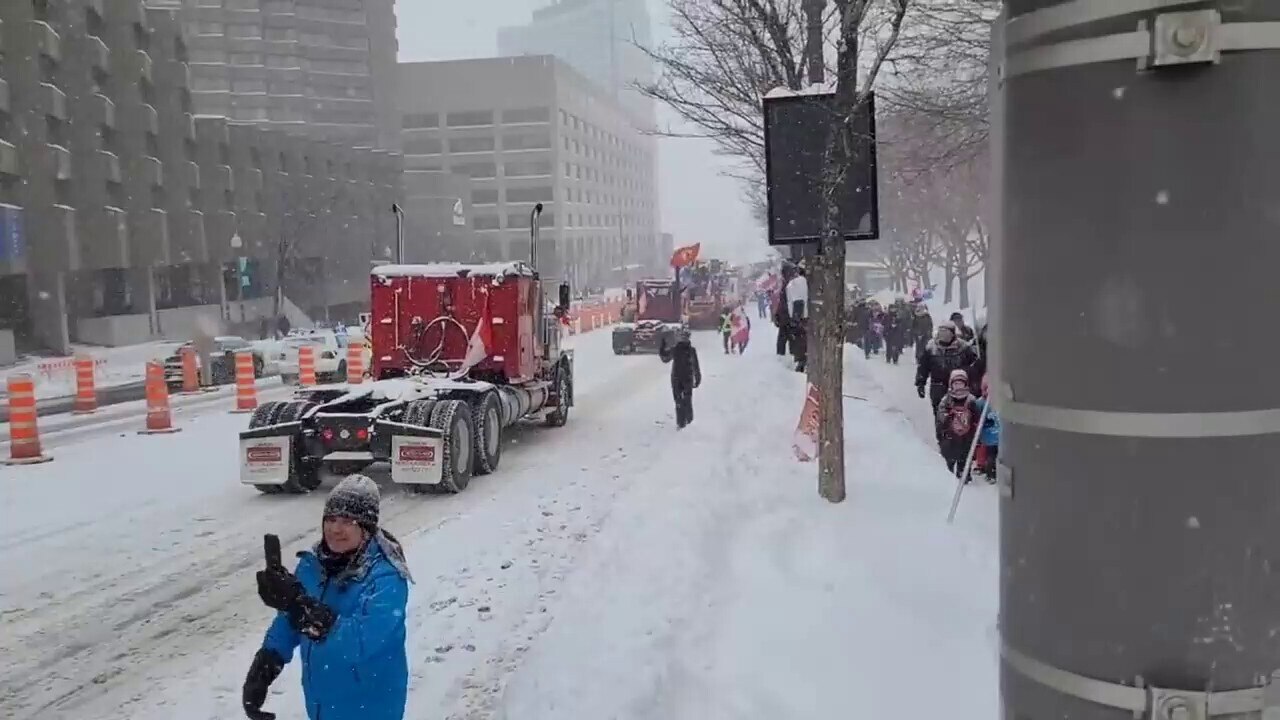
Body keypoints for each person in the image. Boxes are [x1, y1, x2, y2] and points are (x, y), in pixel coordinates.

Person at [244, 475, 412, 720]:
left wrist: (301, 607)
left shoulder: (386, 578)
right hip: (322, 706)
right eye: (330, 519)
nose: (335, 529)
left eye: (347, 521)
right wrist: (265, 667)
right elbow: (289, 621)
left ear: (365, 528)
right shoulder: (312, 565)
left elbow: (359, 642)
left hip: (369, 708)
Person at [915, 321, 980, 424]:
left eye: (946, 332)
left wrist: (974, 384)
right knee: (940, 414)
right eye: (941, 332)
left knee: (960, 413)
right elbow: (923, 366)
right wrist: (920, 382)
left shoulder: (963, 347)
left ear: (952, 333)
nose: (943, 335)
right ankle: (942, 435)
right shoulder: (931, 348)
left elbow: (973, 366)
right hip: (938, 386)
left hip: (959, 386)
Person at [936, 369, 982, 481]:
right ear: (951, 384)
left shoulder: (971, 399)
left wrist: (974, 418)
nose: (958, 387)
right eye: (956, 384)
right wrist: (946, 418)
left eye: (961, 383)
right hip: (951, 431)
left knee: (966, 453)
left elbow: (976, 415)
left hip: (967, 432)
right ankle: (949, 469)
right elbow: (940, 414)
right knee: (949, 452)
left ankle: (964, 472)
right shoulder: (947, 399)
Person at [659, 327, 701, 429]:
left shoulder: (681, 350)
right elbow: (665, 358)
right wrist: (697, 377)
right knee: (685, 400)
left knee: (681, 401)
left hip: (679, 378)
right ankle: (686, 421)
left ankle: (683, 422)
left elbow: (665, 358)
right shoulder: (681, 349)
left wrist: (662, 347)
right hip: (684, 378)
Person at [972, 376, 1000, 482]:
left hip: (992, 434)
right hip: (989, 434)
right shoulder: (981, 403)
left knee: (991, 454)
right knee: (991, 454)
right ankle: (990, 473)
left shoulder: (982, 402)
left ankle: (989, 471)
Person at [786, 266, 809, 373]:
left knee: (800, 340)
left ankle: (800, 361)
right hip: (805, 315)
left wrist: (795, 318)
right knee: (803, 340)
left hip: (799, 315)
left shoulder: (795, 283)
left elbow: (796, 301)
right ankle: (802, 360)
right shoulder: (806, 282)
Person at [773, 265, 794, 357]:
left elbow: (786, 302)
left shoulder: (790, 285)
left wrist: (779, 314)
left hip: (788, 317)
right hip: (786, 317)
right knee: (786, 338)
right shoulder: (787, 284)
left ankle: (787, 358)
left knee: (786, 338)